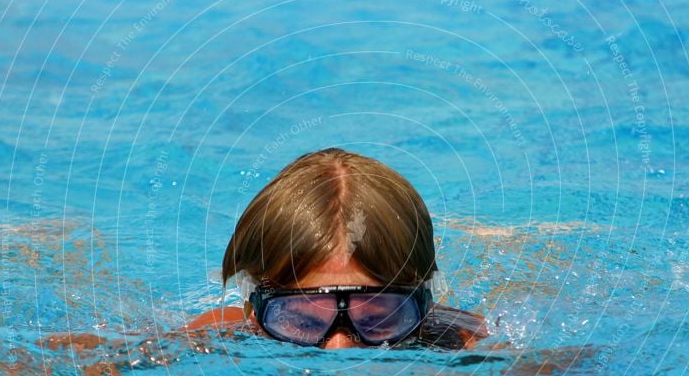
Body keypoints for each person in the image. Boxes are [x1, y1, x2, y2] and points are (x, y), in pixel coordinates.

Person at [186, 148, 488, 350]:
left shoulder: (457, 340)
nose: (340, 350)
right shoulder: (222, 337)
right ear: (254, 309)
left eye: (378, 320)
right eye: (302, 321)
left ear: (424, 306)